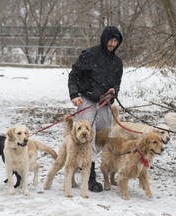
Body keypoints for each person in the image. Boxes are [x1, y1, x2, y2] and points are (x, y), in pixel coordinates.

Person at [68, 26, 123, 192]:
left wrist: (114, 92)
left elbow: (117, 84)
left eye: (116, 41)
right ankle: (90, 177)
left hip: (105, 104)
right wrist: (74, 95)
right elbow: (74, 75)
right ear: (104, 38)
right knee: (88, 136)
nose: (112, 44)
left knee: (102, 137)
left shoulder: (117, 62)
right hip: (87, 101)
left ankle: (84, 162)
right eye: (110, 40)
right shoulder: (90, 55)